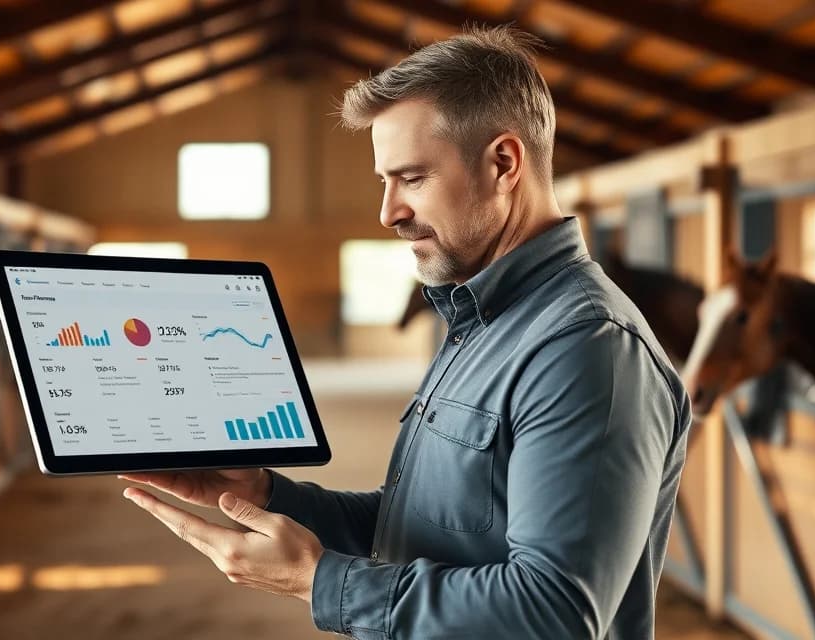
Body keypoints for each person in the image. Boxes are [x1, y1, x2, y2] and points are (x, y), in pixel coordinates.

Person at [122, 24, 690, 639]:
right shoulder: (482, 318)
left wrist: (319, 581)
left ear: (504, 164)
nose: (388, 211)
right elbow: (423, 527)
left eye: (412, 178)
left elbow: (553, 613)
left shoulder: (587, 348)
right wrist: (264, 494)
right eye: (383, 181)